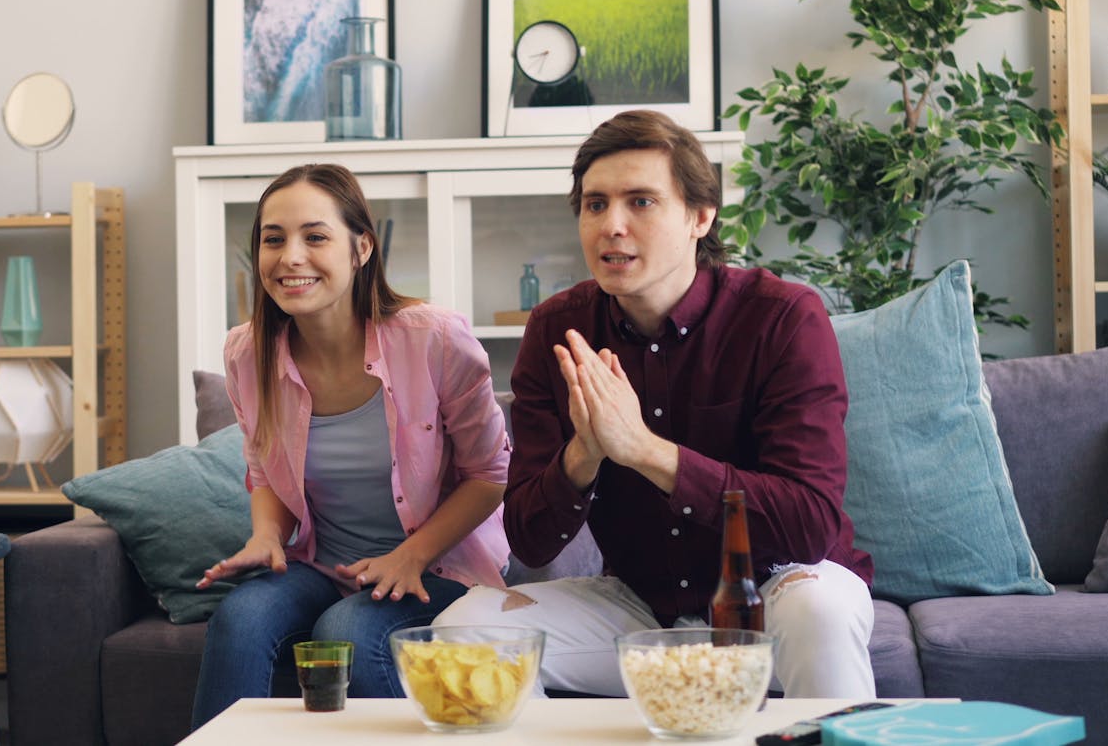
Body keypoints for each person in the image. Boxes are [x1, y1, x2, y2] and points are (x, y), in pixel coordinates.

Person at [433, 109, 876, 699]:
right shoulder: (557, 330)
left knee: (820, 609)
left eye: (641, 201)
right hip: (643, 605)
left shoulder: (783, 317)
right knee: (463, 629)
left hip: (780, 591)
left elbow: (810, 525)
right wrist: (583, 456)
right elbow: (531, 540)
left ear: (700, 215)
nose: (611, 225)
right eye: (595, 205)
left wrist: (645, 451)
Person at [190, 163, 512, 729]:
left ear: (361, 247)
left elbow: (490, 473)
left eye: (315, 237)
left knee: (349, 631)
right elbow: (264, 468)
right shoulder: (247, 352)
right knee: (239, 617)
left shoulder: (435, 339)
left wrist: (409, 556)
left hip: (434, 564)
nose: (290, 256)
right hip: (323, 561)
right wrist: (266, 535)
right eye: (273, 239)